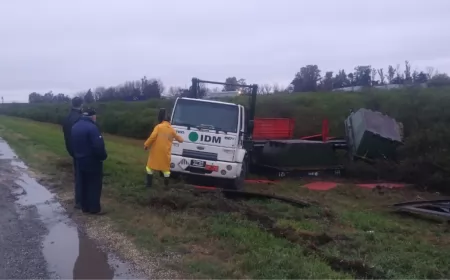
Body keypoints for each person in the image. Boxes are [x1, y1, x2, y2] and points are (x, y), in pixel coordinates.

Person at [71, 108, 108, 215]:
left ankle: (84, 206)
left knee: (83, 183)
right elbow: (98, 146)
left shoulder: (75, 126)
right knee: (94, 185)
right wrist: (103, 156)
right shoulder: (92, 128)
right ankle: (94, 208)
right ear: (92, 116)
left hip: (79, 159)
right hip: (92, 160)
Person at [144, 115, 184, 187]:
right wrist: (182, 139)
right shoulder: (172, 130)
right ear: (169, 121)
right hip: (166, 152)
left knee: (149, 167)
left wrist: (146, 145)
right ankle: (166, 185)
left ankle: (148, 185)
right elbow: (179, 139)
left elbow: (152, 137)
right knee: (166, 169)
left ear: (163, 120)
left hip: (155, 151)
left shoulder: (158, 127)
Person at [62, 97, 83, 209]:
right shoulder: (80, 118)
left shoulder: (67, 118)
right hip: (82, 151)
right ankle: (80, 202)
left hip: (72, 150)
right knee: (83, 177)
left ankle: (79, 200)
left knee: (78, 176)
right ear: (81, 105)